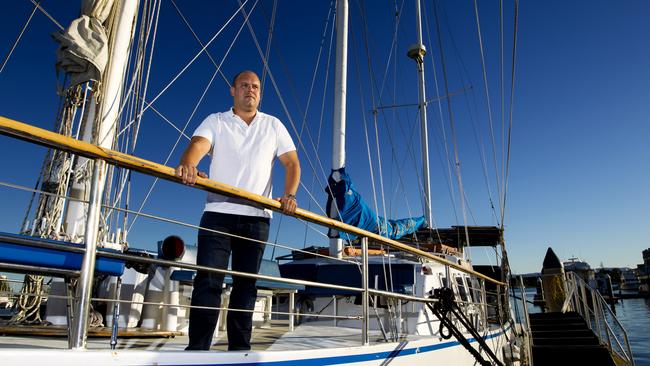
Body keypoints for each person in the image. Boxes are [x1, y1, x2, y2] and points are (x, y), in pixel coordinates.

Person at [177, 70, 300, 351]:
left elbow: (292, 163)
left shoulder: (273, 125)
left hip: (257, 218)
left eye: (255, 86)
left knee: (246, 287)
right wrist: (189, 164)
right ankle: (197, 349)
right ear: (233, 90)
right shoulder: (217, 121)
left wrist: (290, 195)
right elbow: (197, 145)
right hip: (218, 213)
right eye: (244, 85)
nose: (250, 90)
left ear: (260, 92)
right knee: (209, 280)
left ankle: (239, 349)